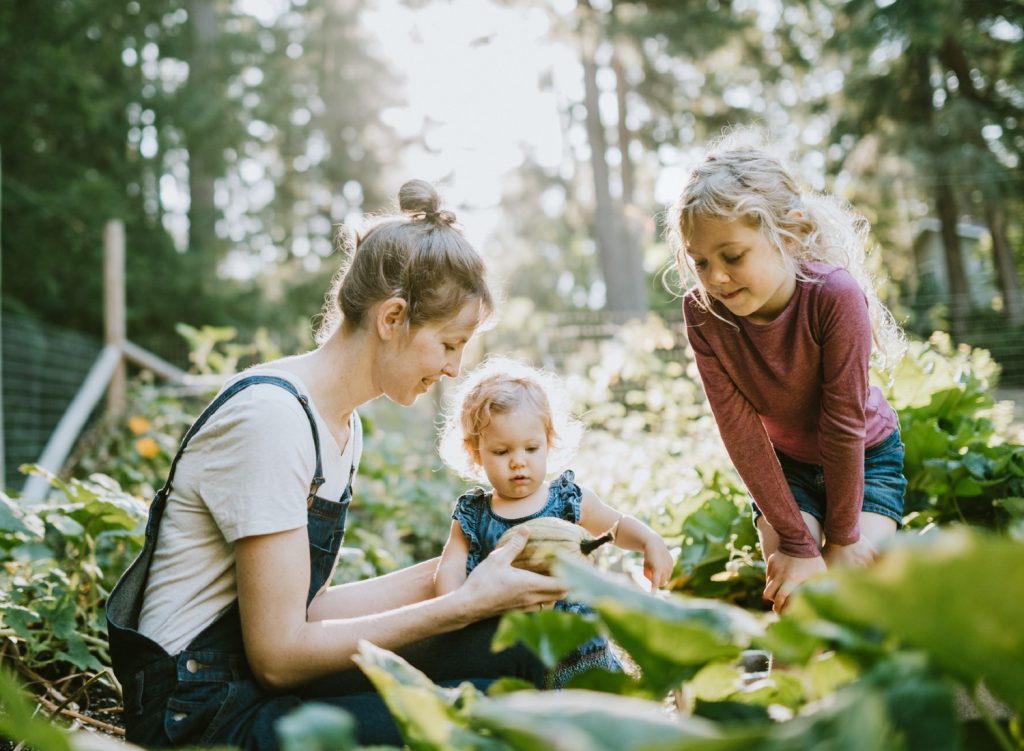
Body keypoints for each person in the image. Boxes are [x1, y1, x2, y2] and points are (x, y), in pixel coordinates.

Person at [105, 180, 569, 750]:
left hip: (250, 683)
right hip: (200, 716)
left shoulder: (339, 425)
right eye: (449, 344)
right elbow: (278, 655)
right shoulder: (273, 418)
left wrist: (471, 564)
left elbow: (307, 607)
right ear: (393, 318)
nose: (453, 370)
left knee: (519, 644)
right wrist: (461, 605)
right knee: (482, 721)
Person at [668, 132, 908, 614]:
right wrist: (797, 544)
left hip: (866, 458)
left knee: (848, 596)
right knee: (797, 599)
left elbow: (843, 425)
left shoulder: (833, 296)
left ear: (790, 235)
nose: (715, 277)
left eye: (732, 256)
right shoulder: (704, 314)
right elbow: (740, 433)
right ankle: (787, 692)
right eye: (701, 262)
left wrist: (841, 538)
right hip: (786, 470)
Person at [434, 357, 675, 686]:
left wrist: (649, 541)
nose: (518, 462)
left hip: (580, 649)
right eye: (502, 452)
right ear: (476, 452)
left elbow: (615, 525)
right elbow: (449, 569)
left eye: (531, 448)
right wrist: (454, 609)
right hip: (515, 650)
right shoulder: (474, 515)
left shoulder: (567, 501)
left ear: (549, 442)